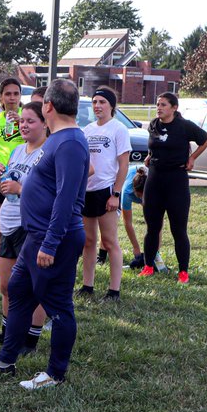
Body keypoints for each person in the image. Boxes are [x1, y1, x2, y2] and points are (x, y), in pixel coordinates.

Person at [0, 79, 88, 390]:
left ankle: (55, 374)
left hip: (55, 238)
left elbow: (66, 198)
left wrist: (50, 243)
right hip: (35, 235)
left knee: (59, 305)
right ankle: (6, 361)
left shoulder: (71, 143)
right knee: (19, 290)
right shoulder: (58, 139)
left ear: (48, 106)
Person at [0, 101, 49, 348]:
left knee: (32, 287)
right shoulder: (18, 150)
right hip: (8, 223)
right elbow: (7, 189)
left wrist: (21, 189)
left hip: (29, 225)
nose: (25, 126)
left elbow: (49, 193)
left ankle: (31, 339)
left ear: (44, 123)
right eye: (22, 121)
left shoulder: (48, 153)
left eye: (31, 121)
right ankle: (7, 334)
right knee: (6, 285)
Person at [140, 92, 207, 283]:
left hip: (176, 179)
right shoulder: (154, 124)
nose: (159, 108)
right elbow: (154, 143)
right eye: (157, 104)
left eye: (163, 105)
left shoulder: (183, 126)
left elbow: (205, 139)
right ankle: (148, 266)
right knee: (152, 226)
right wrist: (149, 155)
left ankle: (183, 272)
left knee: (178, 229)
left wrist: (192, 158)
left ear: (174, 108)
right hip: (155, 179)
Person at [77, 88, 131, 301]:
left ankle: (113, 290)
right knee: (88, 241)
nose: (97, 106)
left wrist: (116, 193)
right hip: (87, 191)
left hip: (106, 190)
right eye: (94, 102)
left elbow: (124, 164)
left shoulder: (118, 129)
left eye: (102, 102)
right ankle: (87, 285)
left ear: (111, 105)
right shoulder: (87, 130)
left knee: (109, 242)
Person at [0, 77, 25, 270]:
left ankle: (21, 267)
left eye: (16, 94)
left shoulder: (28, 117)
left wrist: (22, 121)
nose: (12, 98)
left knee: (23, 226)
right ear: (1, 97)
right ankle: (3, 271)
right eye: (7, 94)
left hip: (23, 175)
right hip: (0, 173)